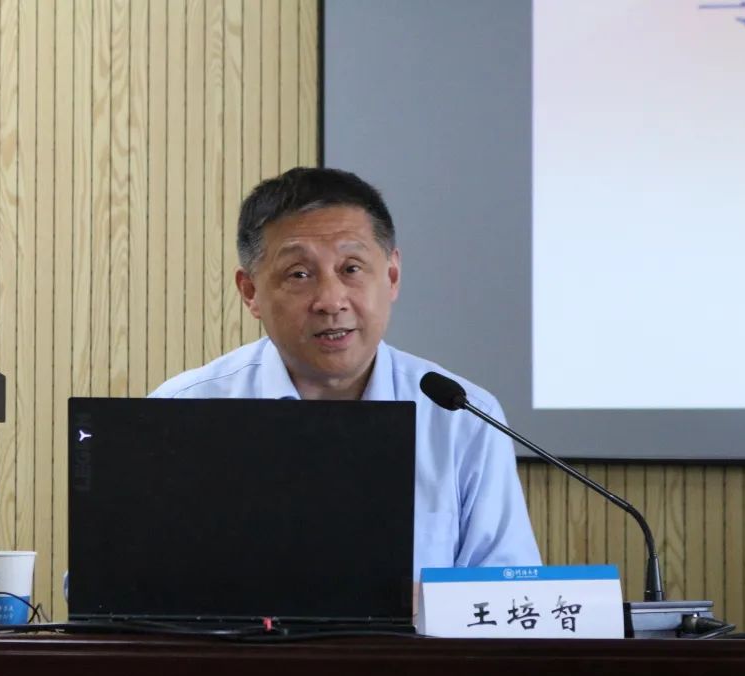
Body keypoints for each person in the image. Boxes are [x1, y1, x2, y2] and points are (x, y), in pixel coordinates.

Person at [149, 167, 541, 574]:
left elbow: (507, 590)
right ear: (250, 292)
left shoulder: (463, 419)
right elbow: (126, 583)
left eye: (351, 269)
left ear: (391, 276)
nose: (331, 301)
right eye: (299, 274)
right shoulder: (180, 412)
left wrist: (421, 601)